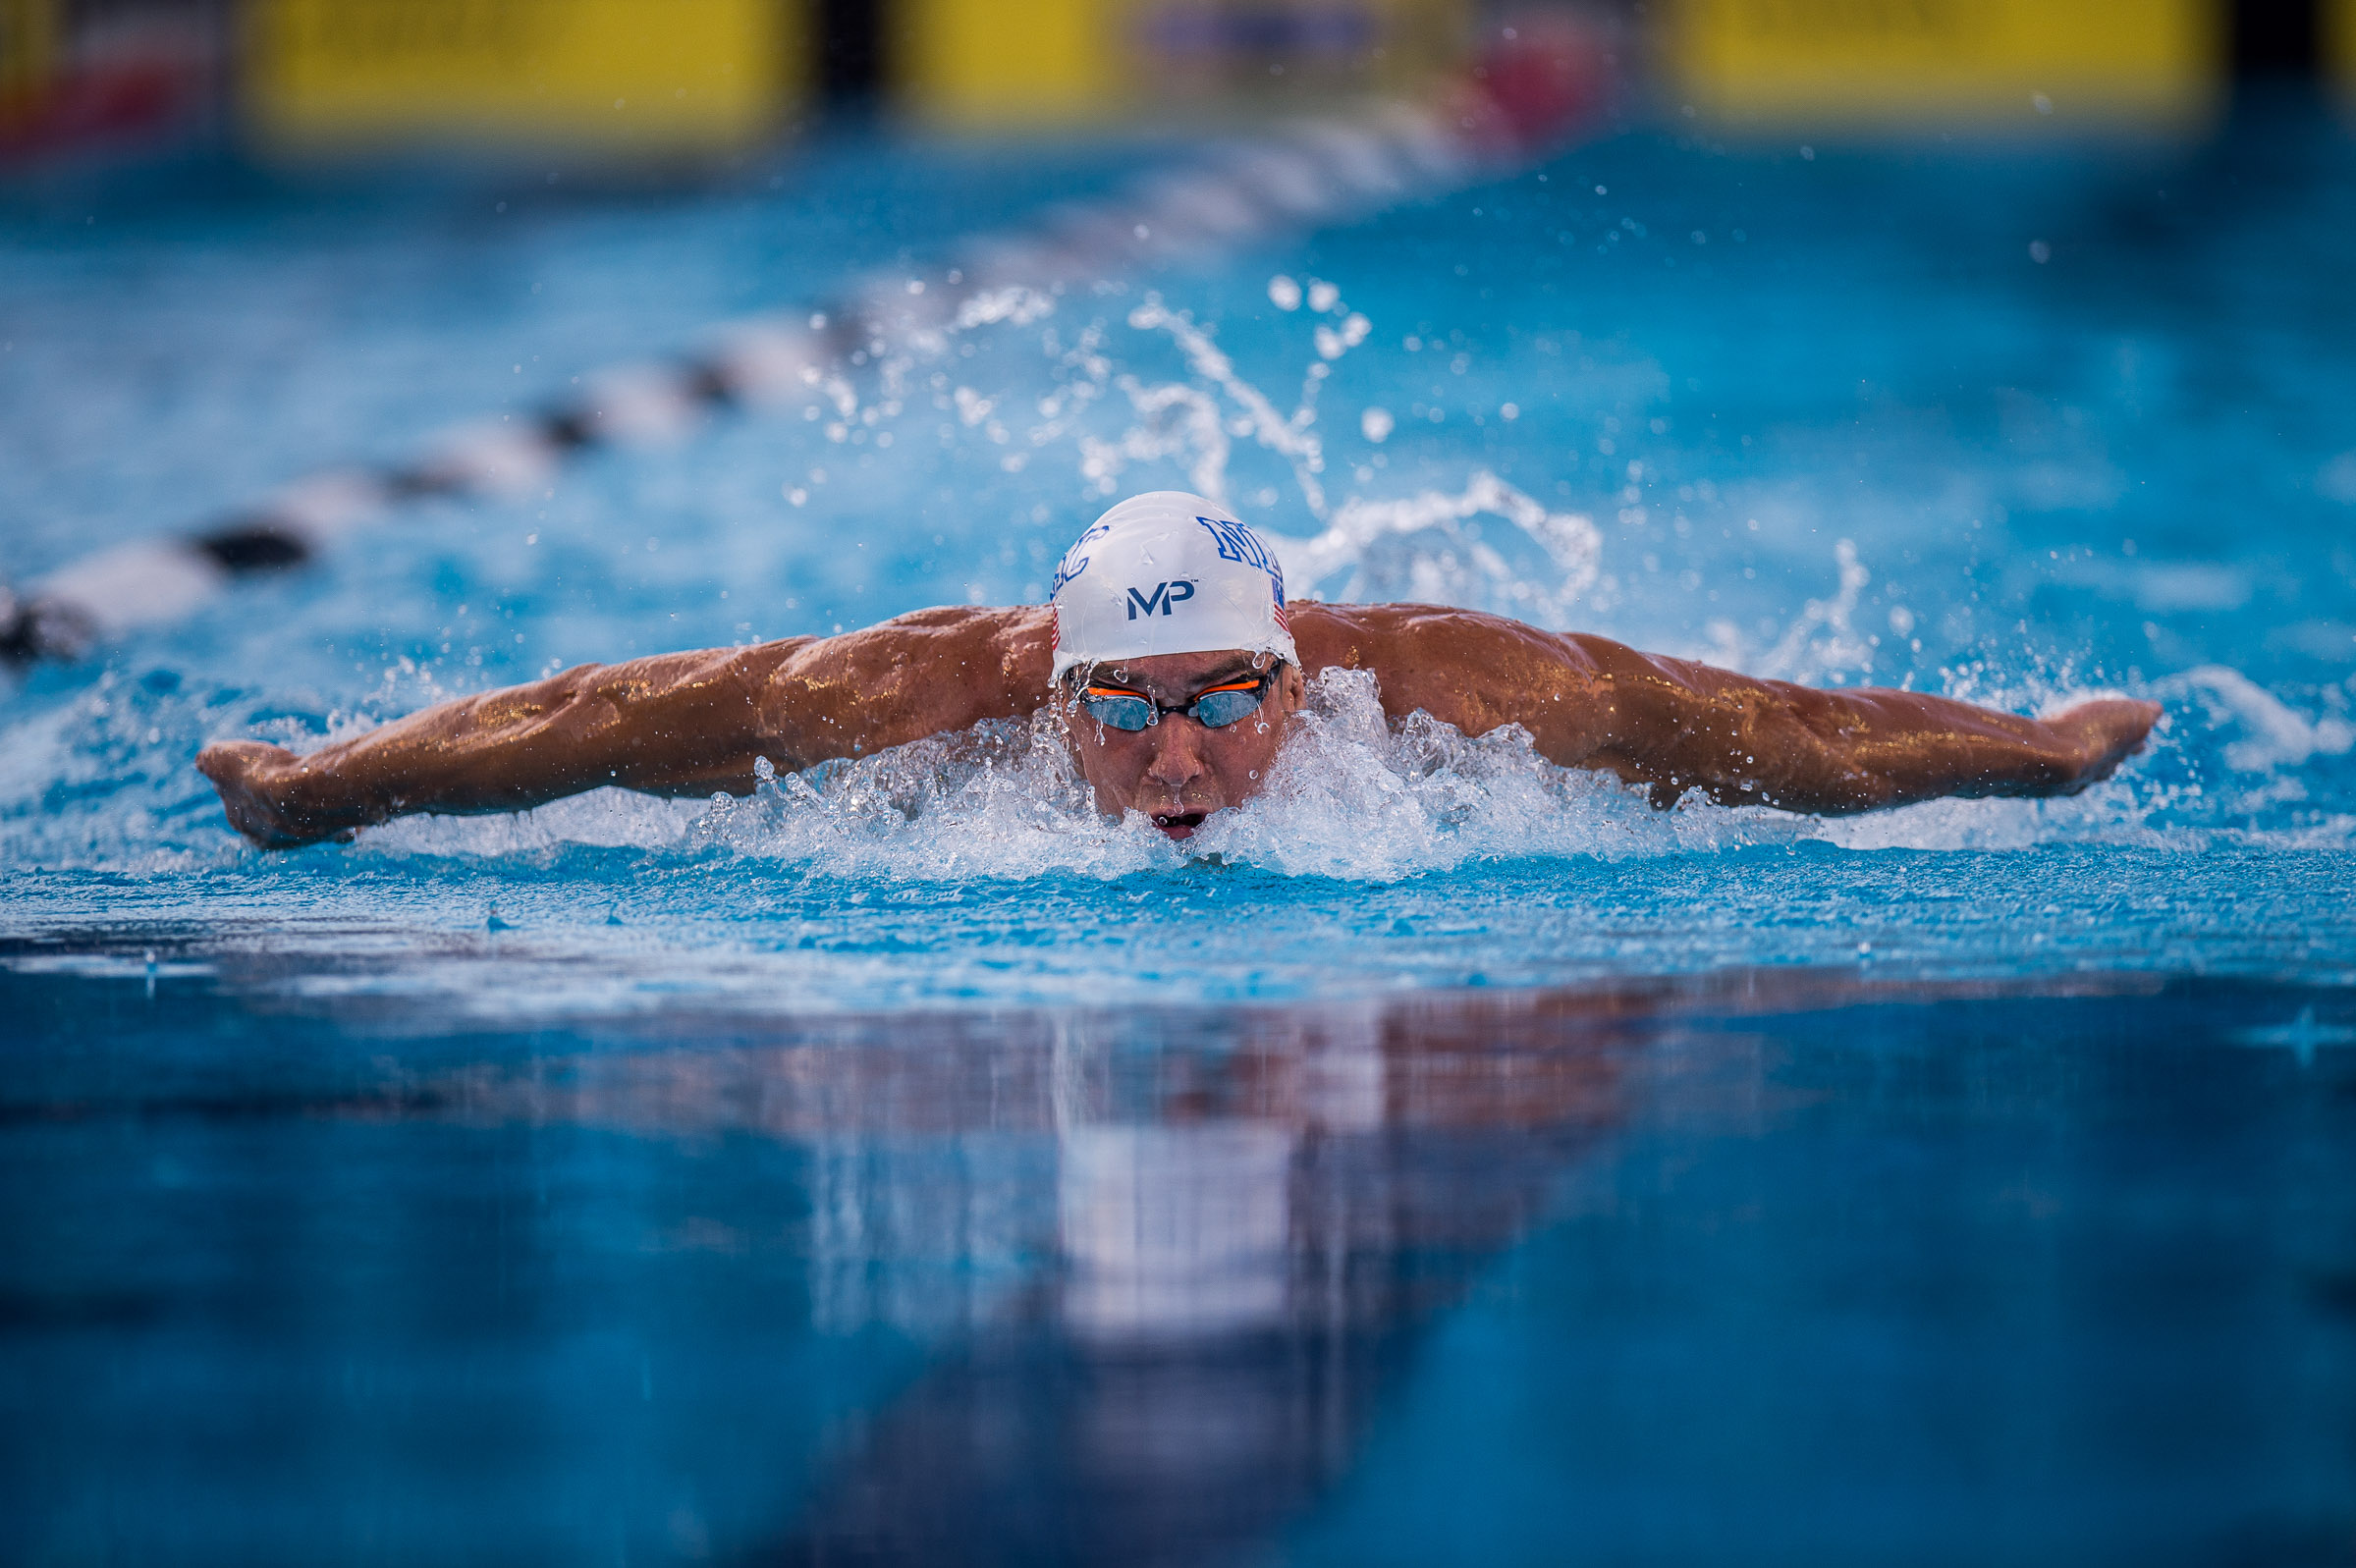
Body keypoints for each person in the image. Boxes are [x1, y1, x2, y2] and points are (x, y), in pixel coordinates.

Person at [196, 491, 2161, 850]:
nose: (1176, 763)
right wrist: (333, 783)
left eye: (1228, 702)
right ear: (1049, 694)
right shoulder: (920, 697)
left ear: (1298, 675)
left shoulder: (1453, 689)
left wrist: (2037, 755)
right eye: (1120, 716)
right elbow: (586, 723)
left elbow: (1766, 732)